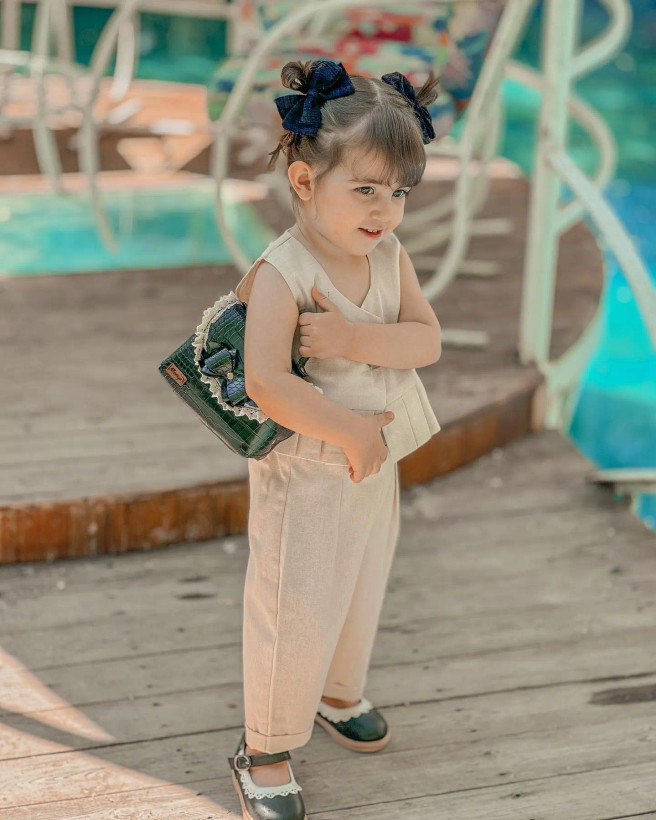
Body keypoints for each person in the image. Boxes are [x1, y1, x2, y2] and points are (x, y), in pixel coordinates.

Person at [226, 58, 442, 820]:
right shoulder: (282, 272)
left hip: (374, 462)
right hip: (308, 472)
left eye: (399, 193)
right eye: (367, 189)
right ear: (305, 180)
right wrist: (348, 429)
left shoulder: (389, 258)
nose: (386, 211)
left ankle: (339, 691)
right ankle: (265, 748)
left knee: (359, 584)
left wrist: (353, 338)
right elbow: (266, 383)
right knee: (295, 603)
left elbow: (425, 340)